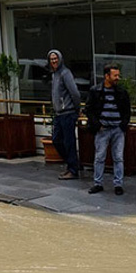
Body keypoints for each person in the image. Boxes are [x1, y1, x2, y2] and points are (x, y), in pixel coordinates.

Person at [85, 63, 131, 196]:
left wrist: (123, 125)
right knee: (99, 157)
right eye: (115, 75)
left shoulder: (121, 92)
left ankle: (118, 184)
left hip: (117, 129)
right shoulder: (96, 91)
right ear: (106, 76)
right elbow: (89, 109)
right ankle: (97, 183)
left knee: (118, 157)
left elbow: (127, 111)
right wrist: (97, 125)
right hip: (103, 128)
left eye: (118, 75)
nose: (117, 78)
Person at [48, 49, 83, 180]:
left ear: (60, 59)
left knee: (69, 142)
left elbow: (75, 93)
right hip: (59, 114)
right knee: (56, 140)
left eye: (55, 58)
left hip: (67, 113)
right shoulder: (54, 74)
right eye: (51, 59)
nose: (54, 61)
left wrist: (77, 108)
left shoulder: (65, 73)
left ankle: (73, 170)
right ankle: (72, 164)